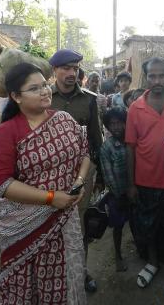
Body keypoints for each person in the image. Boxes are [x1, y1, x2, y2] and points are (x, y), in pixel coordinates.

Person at [0, 62, 89, 304]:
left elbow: (84, 152)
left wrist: (79, 182)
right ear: (15, 96)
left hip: (65, 219)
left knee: (65, 277)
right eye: (34, 88)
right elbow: (1, 184)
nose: (44, 91)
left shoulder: (63, 119)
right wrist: (52, 198)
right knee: (26, 288)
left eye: (45, 84)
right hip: (26, 226)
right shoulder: (7, 132)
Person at [125, 57, 164, 288]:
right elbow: (130, 148)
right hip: (145, 181)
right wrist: (131, 184)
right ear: (146, 77)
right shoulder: (135, 108)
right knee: (148, 226)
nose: (157, 80)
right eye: (152, 76)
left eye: (162, 75)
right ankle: (152, 263)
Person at [49, 48, 103, 292]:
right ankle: (53, 271)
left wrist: (97, 172)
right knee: (50, 224)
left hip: (81, 175)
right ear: (55, 71)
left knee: (78, 225)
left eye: (75, 68)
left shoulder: (89, 100)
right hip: (49, 175)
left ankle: (79, 271)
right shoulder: (44, 97)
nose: (72, 73)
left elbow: (95, 140)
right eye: (66, 68)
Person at [99, 107, 130, 272]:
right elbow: (108, 175)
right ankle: (118, 255)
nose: (116, 127)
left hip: (134, 191)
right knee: (118, 226)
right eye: (112, 124)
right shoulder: (107, 147)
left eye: (119, 123)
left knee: (136, 223)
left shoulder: (132, 142)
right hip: (117, 194)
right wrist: (119, 195)